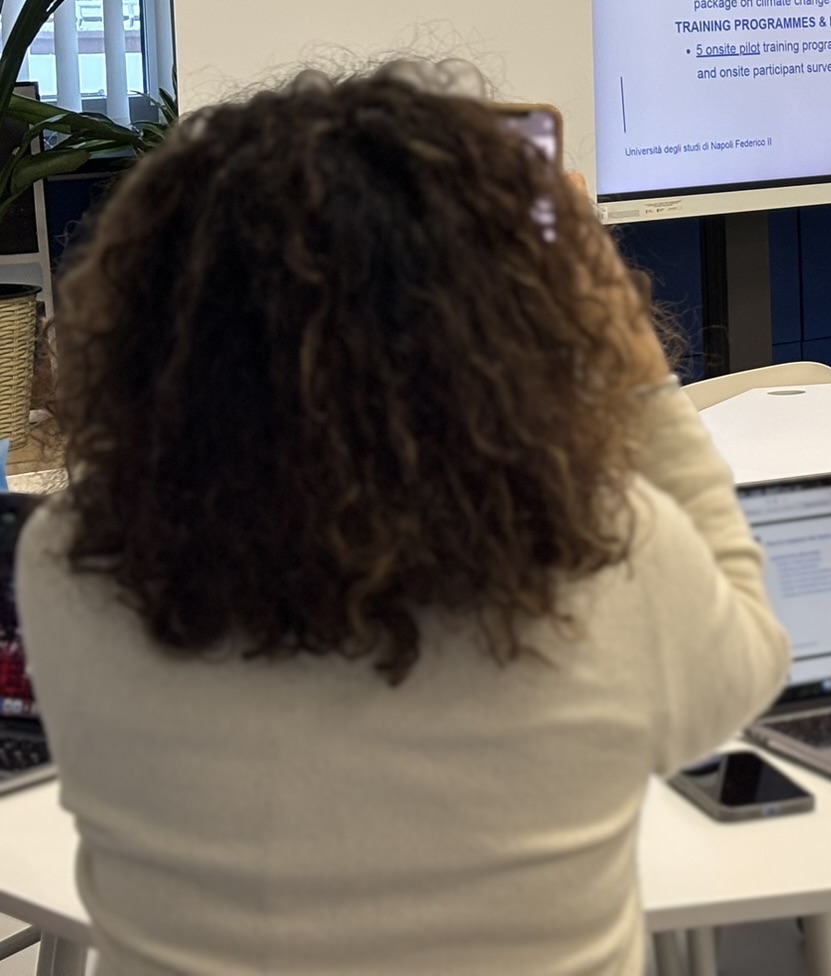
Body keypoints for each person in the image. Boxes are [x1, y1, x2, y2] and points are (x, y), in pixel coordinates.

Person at [16, 66, 790, 975]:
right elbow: (747, 661)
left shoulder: (69, 564)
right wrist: (638, 372)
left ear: (152, 329)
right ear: (501, 326)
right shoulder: (612, 558)